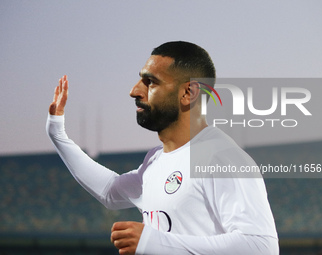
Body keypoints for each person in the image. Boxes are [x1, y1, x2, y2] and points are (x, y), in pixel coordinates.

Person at [47, 41, 279, 255]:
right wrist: (57, 133)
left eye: (150, 82)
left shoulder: (220, 157)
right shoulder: (156, 160)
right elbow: (110, 190)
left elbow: (260, 246)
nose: (135, 91)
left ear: (189, 93)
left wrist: (153, 242)